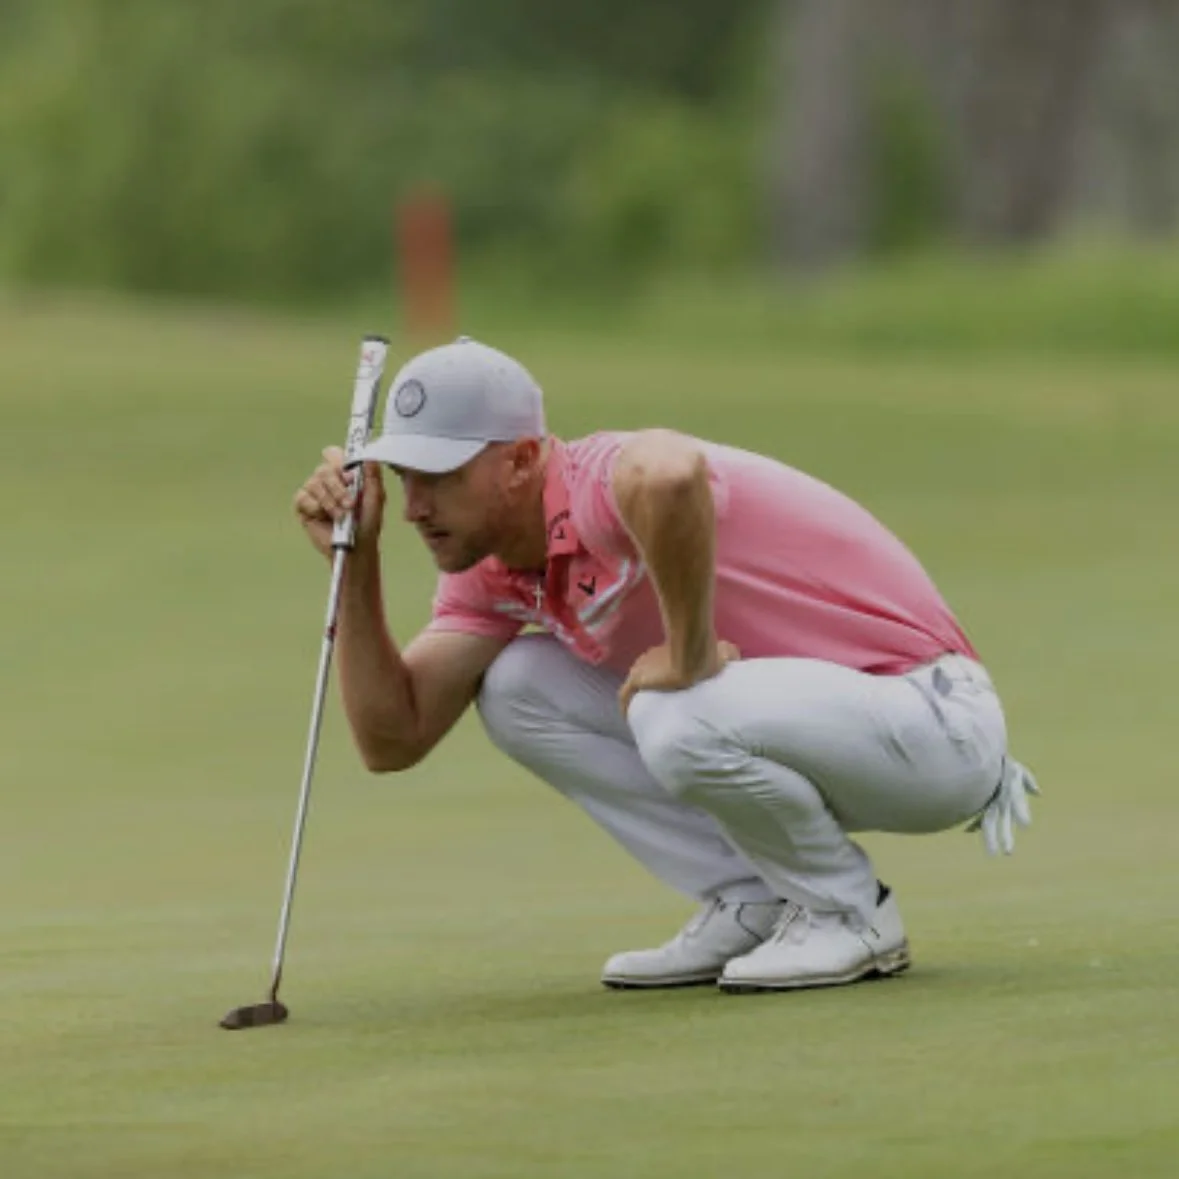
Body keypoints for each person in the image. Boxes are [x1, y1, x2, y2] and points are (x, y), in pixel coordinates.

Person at [293, 337, 1039, 993]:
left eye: (441, 476)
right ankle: (755, 897)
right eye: (406, 477)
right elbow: (393, 737)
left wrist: (689, 649)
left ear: (520, 460)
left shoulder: (598, 480)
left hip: (934, 721)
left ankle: (848, 912)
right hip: (828, 729)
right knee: (517, 686)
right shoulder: (492, 568)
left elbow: (671, 474)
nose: (415, 506)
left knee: (672, 708)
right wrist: (353, 562)